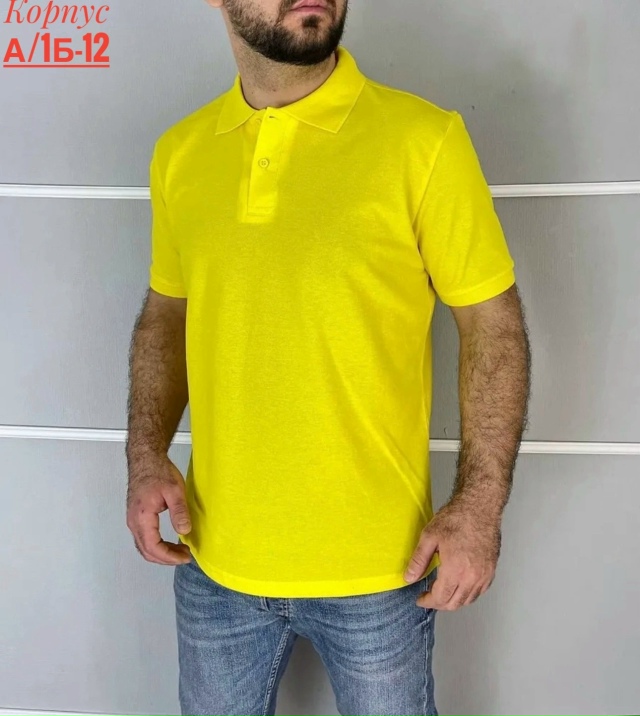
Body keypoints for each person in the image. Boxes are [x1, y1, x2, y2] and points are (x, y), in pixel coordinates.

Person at [125, 0, 532, 714]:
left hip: (382, 572)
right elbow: (167, 314)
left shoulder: (424, 140)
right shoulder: (180, 153)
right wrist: (144, 454)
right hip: (214, 563)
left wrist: (478, 506)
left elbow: (492, 327)